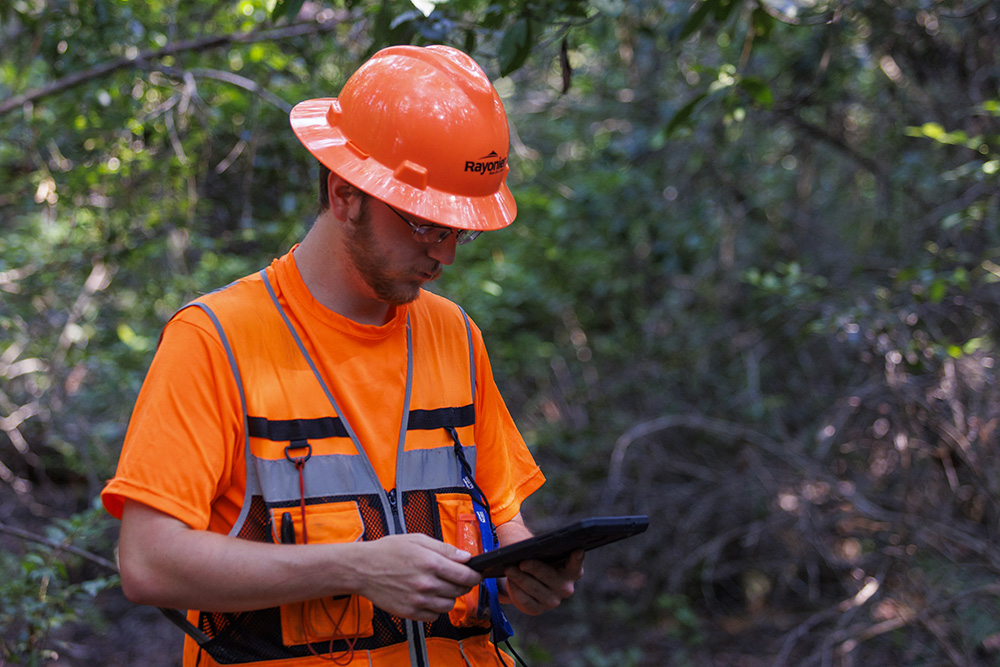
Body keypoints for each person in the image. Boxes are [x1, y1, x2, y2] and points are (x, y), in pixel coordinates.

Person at [101, 44, 584, 667]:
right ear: (345, 194)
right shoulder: (216, 339)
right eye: (424, 225)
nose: (446, 256)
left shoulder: (454, 335)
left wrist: (528, 567)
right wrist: (355, 566)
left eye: (457, 230)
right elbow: (148, 562)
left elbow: (503, 518)